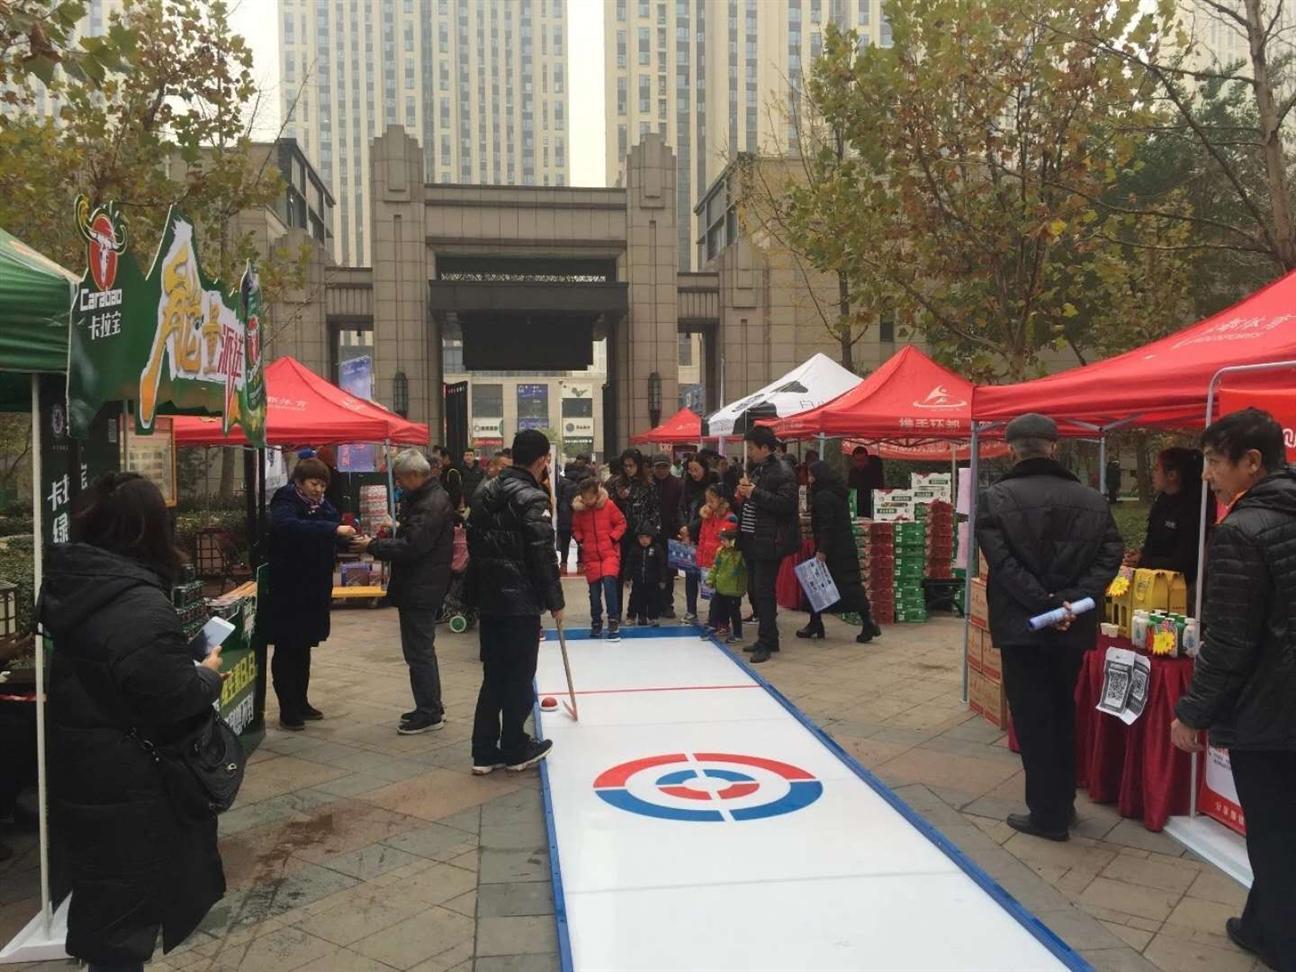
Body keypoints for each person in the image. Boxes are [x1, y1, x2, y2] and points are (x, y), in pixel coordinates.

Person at [40, 473, 226, 971]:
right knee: (124, 920)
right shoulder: (138, 603)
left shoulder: (74, 586)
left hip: (88, 768)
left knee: (105, 901)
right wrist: (207, 676)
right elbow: (174, 699)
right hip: (131, 782)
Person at [1170, 408, 1296, 971]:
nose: (1207, 476)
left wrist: (1193, 712)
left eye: (1214, 463)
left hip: (1270, 709)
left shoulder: (1242, 532)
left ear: (1252, 462)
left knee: (1272, 836)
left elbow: (1229, 640)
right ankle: (1257, 924)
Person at [975, 413, 1122, 842]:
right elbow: (1110, 554)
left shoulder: (995, 498)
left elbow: (1002, 565)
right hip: (1069, 626)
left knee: (1035, 719)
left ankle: (1048, 814)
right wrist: (1072, 602)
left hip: (1025, 626)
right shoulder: (1093, 500)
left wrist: (1047, 605)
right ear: (1054, 448)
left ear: (1011, 448)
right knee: (1061, 712)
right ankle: (1062, 804)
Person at [467, 430, 563, 775]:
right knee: (520, 675)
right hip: (520, 601)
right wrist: (555, 601)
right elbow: (541, 555)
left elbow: (474, 546)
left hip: (490, 598)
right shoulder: (531, 498)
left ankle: (483, 751)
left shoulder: (483, 491)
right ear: (541, 460)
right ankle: (515, 746)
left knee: (494, 674)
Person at [354, 449, 454, 734]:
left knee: (419, 651)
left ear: (414, 475)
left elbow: (413, 546)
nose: (398, 484)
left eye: (399, 479)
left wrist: (372, 546)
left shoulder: (431, 502)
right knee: (420, 650)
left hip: (422, 586)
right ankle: (429, 705)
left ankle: (430, 712)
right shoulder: (426, 498)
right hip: (421, 583)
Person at [267, 457, 354, 730]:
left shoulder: (321, 505)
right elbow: (288, 527)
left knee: (304, 646)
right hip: (288, 587)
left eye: (323, 485)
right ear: (300, 482)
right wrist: (331, 529)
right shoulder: (285, 502)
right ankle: (287, 708)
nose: (319, 490)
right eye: (314, 484)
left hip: (313, 587)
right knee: (287, 648)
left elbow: (331, 519)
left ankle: (301, 701)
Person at [798, 461, 883, 644]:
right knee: (848, 586)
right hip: (845, 547)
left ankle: (819, 623)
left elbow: (827, 527)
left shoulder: (823, 497)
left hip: (832, 551)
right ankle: (819, 622)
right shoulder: (838, 493)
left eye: (811, 475)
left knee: (820, 585)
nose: (810, 479)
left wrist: (822, 551)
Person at [737, 427, 801, 663]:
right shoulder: (760, 469)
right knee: (756, 590)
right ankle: (767, 636)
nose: (750, 453)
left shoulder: (783, 471)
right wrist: (745, 494)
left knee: (764, 592)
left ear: (765, 448)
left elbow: (785, 505)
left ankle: (767, 641)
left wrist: (755, 493)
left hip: (769, 541)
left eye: (752, 448)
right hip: (753, 538)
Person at [1125, 447, 1214, 584]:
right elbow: (1156, 542)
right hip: (1153, 581)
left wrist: (1144, 561)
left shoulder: (1196, 508)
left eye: (1156, 469)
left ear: (1172, 475)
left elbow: (1186, 559)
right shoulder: (1162, 501)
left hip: (1180, 586)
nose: (1153, 474)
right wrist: (1141, 555)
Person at [608, 448, 660, 623]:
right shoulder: (616, 484)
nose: (628, 469)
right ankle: (615, 613)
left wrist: (650, 533)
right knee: (618, 574)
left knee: (641, 577)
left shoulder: (649, 485)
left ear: (638, 465)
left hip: (641, 537)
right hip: (621, 536)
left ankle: (641, 612)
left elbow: (655, 511)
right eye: (625, 466)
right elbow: (608, 509)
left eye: (631, 465)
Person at [572, 477, 627, 640]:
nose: (587, 501)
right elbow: (575, 528)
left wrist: (612, 538)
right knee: (594, 593)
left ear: (596, 494)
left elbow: (621, 523)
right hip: (591, 556)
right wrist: (581, 540)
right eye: (584, 497)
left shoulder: (609, 505)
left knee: (610, 585)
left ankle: (613, 619)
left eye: (590, 497)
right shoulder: (579, 511)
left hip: (609, 554)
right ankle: (596, 622)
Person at [679, 455, 719, 622]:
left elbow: (708, 512)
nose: (693, 473)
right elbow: (680, 507)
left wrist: (690, 527)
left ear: (704, 468)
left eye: (696, 469)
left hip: (707, 536)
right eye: (690, 470)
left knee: (710, 575)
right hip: (688, 537)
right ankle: (691, 610)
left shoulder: (712, 487)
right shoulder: (686, 485)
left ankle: (715, 613)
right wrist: (683, 528)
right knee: (690, 575)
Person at [651, 452, 684, 618]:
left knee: (670, 572)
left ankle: (667, 604)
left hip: (670, 534)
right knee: (653, 570)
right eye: (658, 467)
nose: (662, 470)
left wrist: (680, 528)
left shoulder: (677, 484)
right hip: (651, 535)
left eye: (664, 466)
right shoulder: (648, 484)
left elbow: (680, 508)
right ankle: (654, 604)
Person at [705, 515, 747, 644]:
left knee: (734, 612)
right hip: (721, 586)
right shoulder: (721, 551)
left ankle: (738, 633)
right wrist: (710, 580)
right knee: (716, 606)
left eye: (724, 540)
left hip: (734, 589)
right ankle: (715, 625)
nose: (722, 543)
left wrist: (738, 549)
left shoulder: (739, 553)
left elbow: (746, 566)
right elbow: (715, 566)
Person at [626, 531, 664, 626]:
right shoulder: (634, 549)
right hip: (638, 580)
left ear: (651, 538)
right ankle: (635, 616)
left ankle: (653, 617)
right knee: (635, 599)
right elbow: (629, 564)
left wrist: (663, 579)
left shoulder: (657, 548)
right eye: (641, 537)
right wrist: (627, 577)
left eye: (647, 537)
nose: (644, 540)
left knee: (654, 599)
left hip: (653, 581)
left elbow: (662, 565)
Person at [555, 460, 582, 574]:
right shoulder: (578, 485)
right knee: (580, 541)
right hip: (576, 517)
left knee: (565, 542)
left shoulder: (559, 483)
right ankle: (580, 565)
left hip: (563, 516)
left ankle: (563, 565)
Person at [847, 446, 885, 517]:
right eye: (857, 461)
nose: (859, 464)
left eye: (862, 460)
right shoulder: (852, 472)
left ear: (867, 459)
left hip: (872, 506)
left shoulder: (875, 471)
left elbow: (879, 489)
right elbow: (850, 488)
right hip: (857, 506)